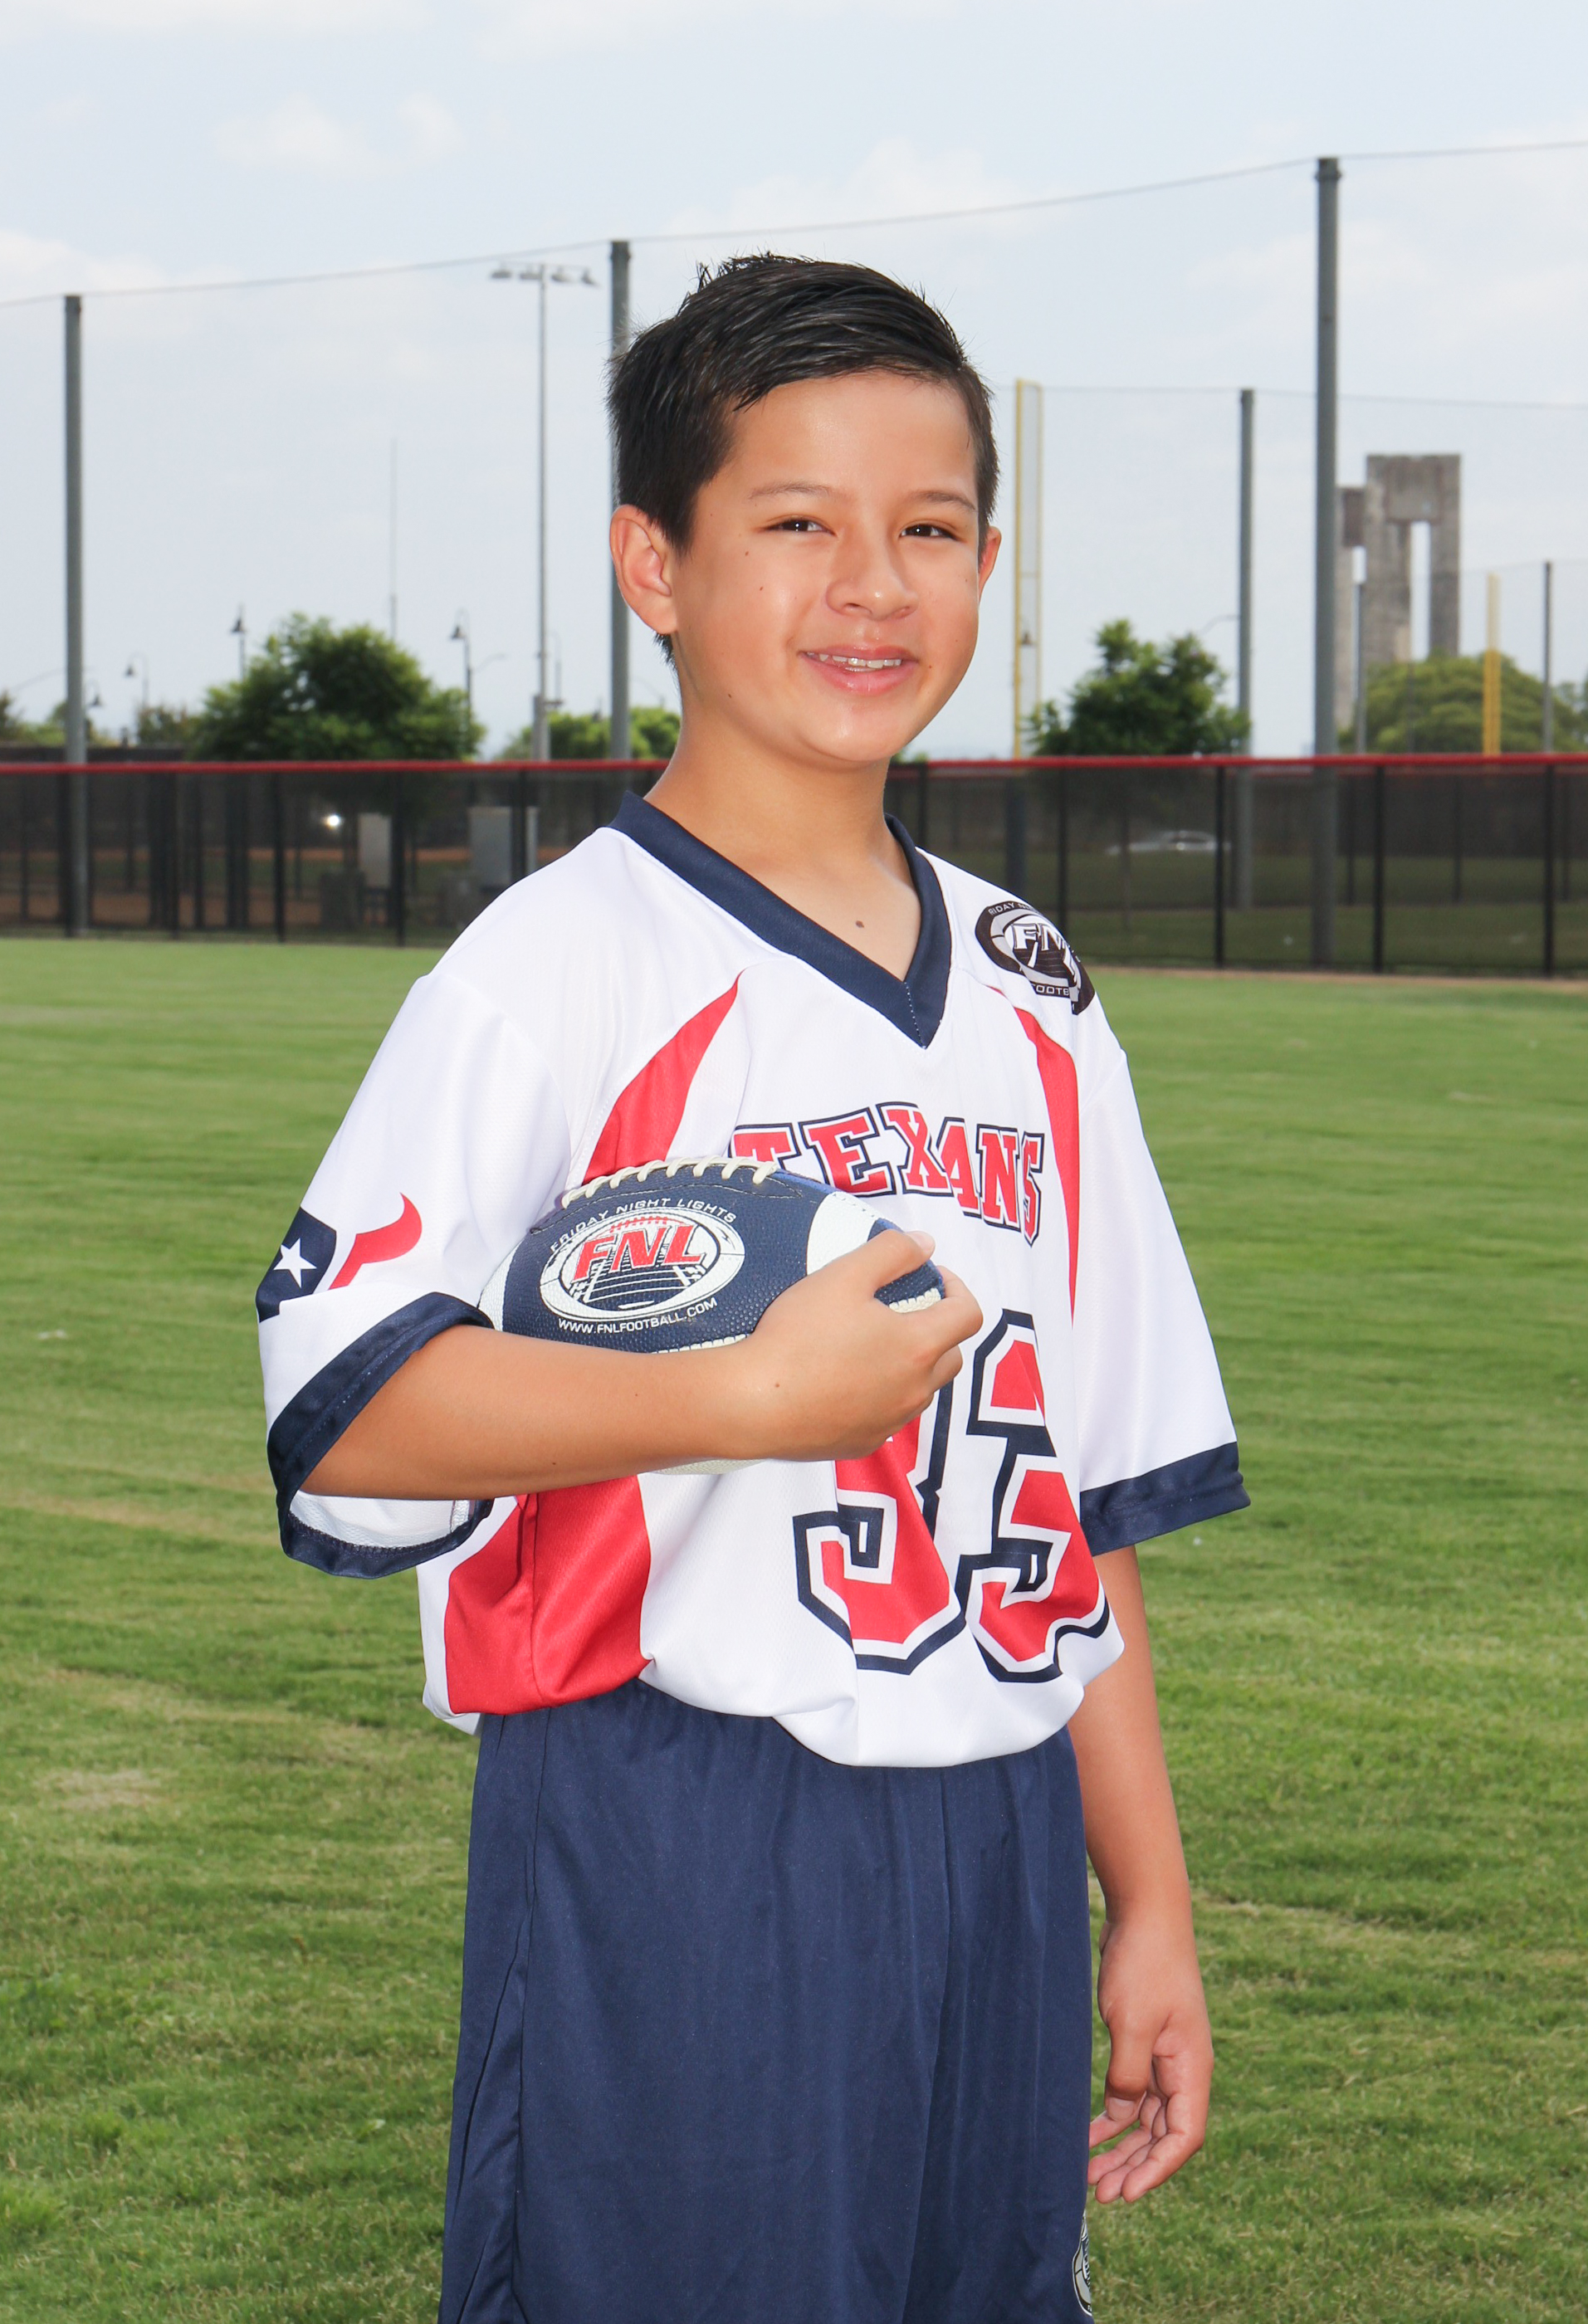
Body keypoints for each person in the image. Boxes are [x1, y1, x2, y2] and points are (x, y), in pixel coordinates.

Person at [256, 254, 1248, 2324]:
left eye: (930, 527)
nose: (870, 585)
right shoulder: (556, 970)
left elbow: (1076, 1497)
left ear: (987, 568)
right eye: (795, 521)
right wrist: (738, 1400)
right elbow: (346, 1406)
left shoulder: (1033, 989)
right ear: (656, 562)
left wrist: (1145, 1897)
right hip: (680, 1813)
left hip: (997, 1819)